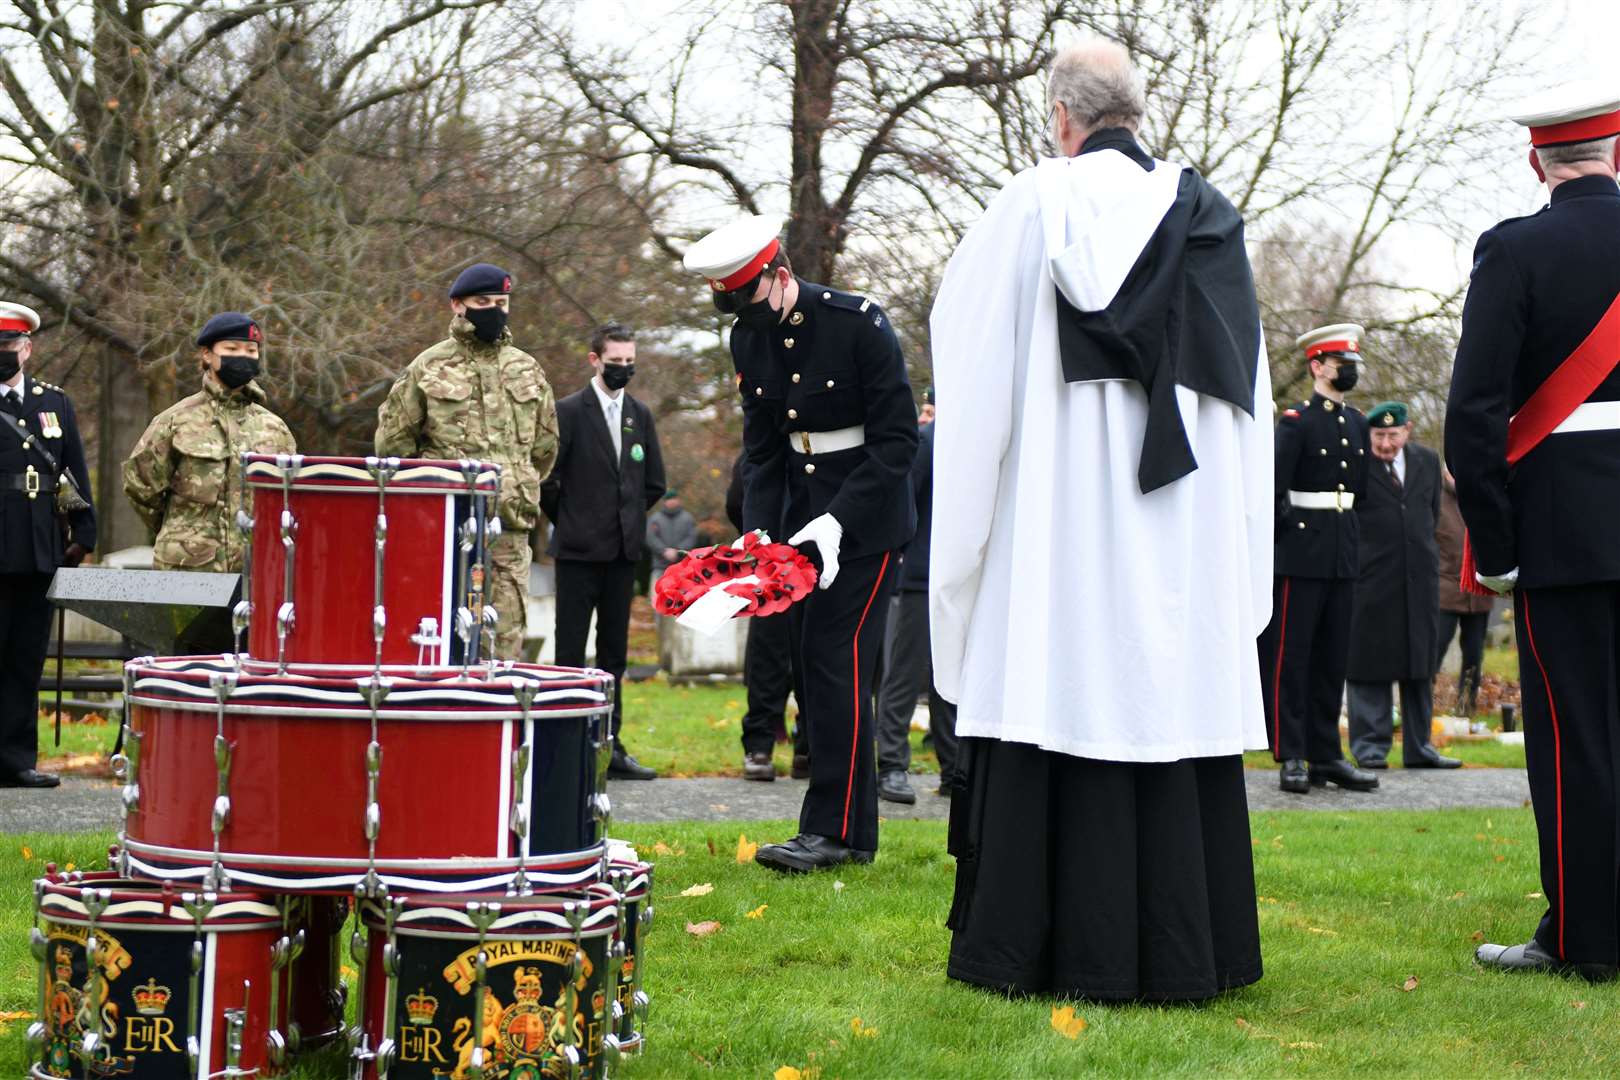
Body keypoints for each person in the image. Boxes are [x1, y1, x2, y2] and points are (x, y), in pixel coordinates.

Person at [929, 40, 1270, 999]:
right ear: (1136, 114)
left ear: (1062, 119)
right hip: (1181, 527)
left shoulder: (1027, 211)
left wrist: (963, 552)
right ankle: (1184, 951)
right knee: (1161, 705)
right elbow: (1246, 402)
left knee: (1057, 677)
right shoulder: (1209, 221)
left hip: (1057, 538)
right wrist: (1242, 560)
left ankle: (1031, 949)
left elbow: (973, 382)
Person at [1446, 83, 1620, 981]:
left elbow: (1473, 419)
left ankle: (1585, 942)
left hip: (1564, 539)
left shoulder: (1513, 250)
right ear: (1618, 156)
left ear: (1537, 163)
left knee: (1577, 742)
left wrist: (1500, 550)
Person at [684, 214, 917, 871]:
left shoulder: (857, 323)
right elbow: (763, 452)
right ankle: (847, 833)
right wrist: (758, 531)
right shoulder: (747, 338)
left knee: (832, 659)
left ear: (780, 276)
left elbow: (897, 440)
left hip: (866, 520)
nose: (743, 318)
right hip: (797, 520)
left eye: (748, 299)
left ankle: (833, 834)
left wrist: (839, 520)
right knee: (813, 664)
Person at [375, 263, 558, 660]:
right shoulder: (428, 367)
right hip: (443, 530)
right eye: (483, 302)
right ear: (458, 305)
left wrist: (515, 483)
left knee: (503, 642)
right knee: (439, 639)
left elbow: (544, 448)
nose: (493, 309)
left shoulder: (526, 368)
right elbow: (393, 445)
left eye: (501, 302)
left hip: (508, 528)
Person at [541, 323, 665, 781]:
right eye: (615, 362)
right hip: (576, 553)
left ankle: (610, 745)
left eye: (629, 361)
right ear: (594, 360)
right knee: (571, 652)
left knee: (614, 656)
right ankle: (567, 743)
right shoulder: (568, 411)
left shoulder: (640, 414)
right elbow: (548, 482)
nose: (623, 369)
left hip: (622, 554)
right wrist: (575, 519)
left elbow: (652, 482)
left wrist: (625, 520)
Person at [1257, 325, 1378, 795]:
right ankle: (1291, 755)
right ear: (1317, 366)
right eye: (1341, 364)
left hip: (1341, 553)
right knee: (1293, 657)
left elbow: (1360, 492)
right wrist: (1289, 540)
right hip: (1301, 555)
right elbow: (1274, 490)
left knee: (1332, 658)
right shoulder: (1297, 422)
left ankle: (1326, 753)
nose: (1349, 371)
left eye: (1353, 364)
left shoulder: (1358, 424)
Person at [0, 301, 95, 789]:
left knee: (24, 658)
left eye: (9, 346)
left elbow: (72, 470)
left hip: (38, 548)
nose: (3, 353)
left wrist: (84, 533)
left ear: (27, 349)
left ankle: (16, 760)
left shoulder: (53, 402)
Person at [124, 313, 296, 571]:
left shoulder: (275, 428)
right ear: (207, 355)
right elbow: (141, 486)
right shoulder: (175, 421)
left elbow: (288, 497)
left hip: (257, 569)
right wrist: (180, 529)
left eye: (251, 350)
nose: (243, 356)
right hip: (188, 567)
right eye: (232, 348)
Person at [1344, 402, 1459, 769]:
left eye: (1393, 435)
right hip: (1372, 581)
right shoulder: (1358, 464)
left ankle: (1419, 746)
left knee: (1419, 666)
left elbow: (1430, 514)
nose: (1386, 443)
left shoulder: (1426, 461)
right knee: (1368, 665)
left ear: (1407, 431)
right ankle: (1371, 748)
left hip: (1419, 582)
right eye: (1379, 435)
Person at [874, 391, 958, 803]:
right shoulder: (930, 439)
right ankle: (891, 764)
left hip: (963, 578)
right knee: (905, 674)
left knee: (952, 677)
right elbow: (907, 497)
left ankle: (954, 767)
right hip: (923, 575)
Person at [726, 450, 809, 781]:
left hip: (788, 564)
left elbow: (737, 501)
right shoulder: (760, 450)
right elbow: (737, 501)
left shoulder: (758, 452)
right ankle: (800, 746)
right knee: (786, 655)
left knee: (775, 657)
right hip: (780, 569)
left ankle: (766, 746)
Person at [1434, 464, 1493, 716]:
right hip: (1445, 592)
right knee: (1435, 650)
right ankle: (1422, 709)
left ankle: (1465, 708)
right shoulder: (1435, 500)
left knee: (1473, 656)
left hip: (1478, 595)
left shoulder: (1482, 498)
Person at [646, 487, 698, 581]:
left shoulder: (688, 518)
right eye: (669, 499)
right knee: (657, 594)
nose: (672, 501)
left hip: (682, 566)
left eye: (674, 499)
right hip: (660, 566)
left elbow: (691, 537)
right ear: (664, 502)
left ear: (678, 500)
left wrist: (677, 551)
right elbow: (651, 538)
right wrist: (664, 551)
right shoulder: (655, 519)